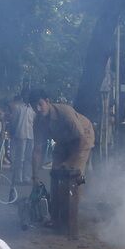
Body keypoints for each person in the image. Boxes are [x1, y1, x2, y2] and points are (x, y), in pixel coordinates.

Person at [28, 89, 95, 236]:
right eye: (34, 106)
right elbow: (37, 149)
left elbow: (81, 139)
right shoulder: (38, 121)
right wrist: (34, 177)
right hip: (63, 143)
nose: (37, 109)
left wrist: (70, 161)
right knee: (55, 175)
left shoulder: (66, 113)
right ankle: (56, 219)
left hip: (83, 138)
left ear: (48, 101)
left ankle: (71, 225)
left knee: (72, 176)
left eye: (40, 104)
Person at [7, 93, 35, 184]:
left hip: (31, 135)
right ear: (23, 97)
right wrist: (13, 131)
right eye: (26, 95)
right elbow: (14, 121)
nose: (27, 97)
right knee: (20, 158)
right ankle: (18, 178)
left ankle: (26, 178)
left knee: (29, 157)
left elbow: (35, 121)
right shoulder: (18, 108)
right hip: (20, 134)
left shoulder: (33, 109)